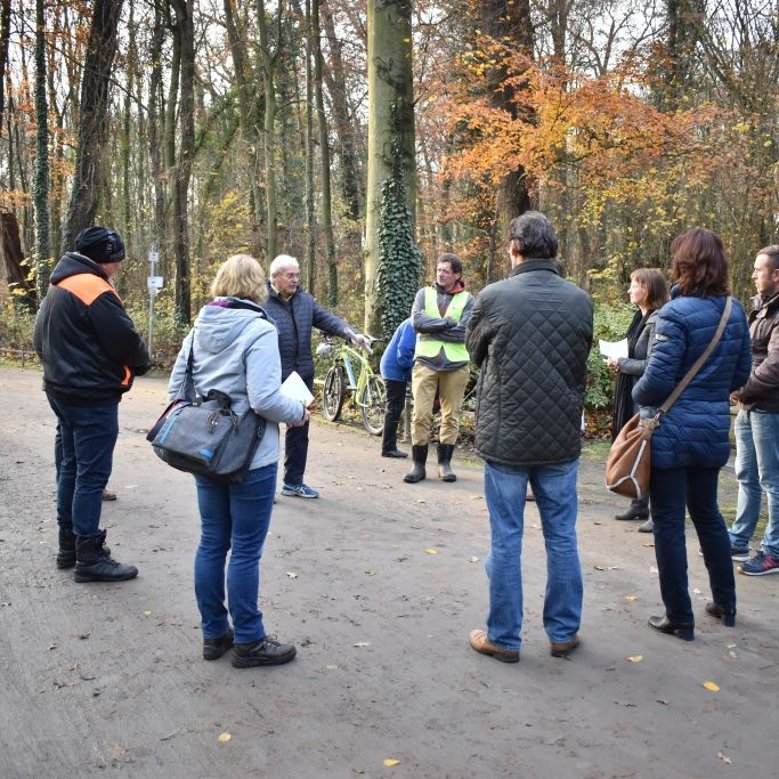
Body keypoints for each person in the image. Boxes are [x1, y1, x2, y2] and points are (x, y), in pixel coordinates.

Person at [168, 255, 310, 667]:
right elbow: (265, 399)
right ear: (256, 287)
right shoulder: (258, 328)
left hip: (206, 450)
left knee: (212, 540)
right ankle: (249, 638)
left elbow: (176, 389)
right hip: (251, 456)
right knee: (246, 548)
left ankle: (214, 633)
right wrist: (298, 413)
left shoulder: (199, 327)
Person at [466, 211, 593, 663]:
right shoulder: (580, 300)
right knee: (562, 536)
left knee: (506, 537)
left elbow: (474, 352)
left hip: (507, 438)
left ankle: (503, 636)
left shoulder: (494, 296)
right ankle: (562, 632)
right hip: (560, 437)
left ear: (515, 248)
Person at [633, 228, 751, 639]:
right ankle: (726, 602)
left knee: (667, 521)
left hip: (670, 432)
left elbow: (656, 381)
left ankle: (679, 617)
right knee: (707, 514)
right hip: (712, 431)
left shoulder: (673, 314)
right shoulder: (733, 311)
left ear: (683, 265)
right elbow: (741, 376)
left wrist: (636, 392)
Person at [33, 226, 150, 582]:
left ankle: (68, 545)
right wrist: (140, 364)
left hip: (62, 390)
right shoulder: (93, 288)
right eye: (117, 259)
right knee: (91, 475)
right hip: (90, 396)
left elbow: (39, 337)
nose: (118, 267)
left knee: (71, 467)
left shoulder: (60, 283)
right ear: (108, 257)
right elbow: (124, 339)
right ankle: (88, 555)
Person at [263, 254, 370, 499]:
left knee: (299, 430)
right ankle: (263, 488)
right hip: (272, 376)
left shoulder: (304, 300)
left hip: (300, 377)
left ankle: (293, 482)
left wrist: (350, 334)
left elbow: (327, 319)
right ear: (275, 277)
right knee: (265, 431)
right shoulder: (261, 303)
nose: (295, 280)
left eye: (297, 275)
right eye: (290, 275)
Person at [728, 245, 779, 575]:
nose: (753, 275)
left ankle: (774, 550)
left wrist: (740, 388)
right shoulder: (762, 309)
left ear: (776, 275)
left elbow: (775, 366)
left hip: (768, 408)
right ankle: (738, 538)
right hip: (750, 406)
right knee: (745, 475)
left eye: (759, 270)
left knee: (772, 480)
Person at [608, 269, 670, 533]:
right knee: (638, 449)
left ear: (648, 289)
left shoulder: (657, 321)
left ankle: (657, 512)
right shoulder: (640, 318)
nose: (629, 290)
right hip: (634, 391)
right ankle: (638, 503)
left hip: (649, 396)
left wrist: (623, 363)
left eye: (634, 285)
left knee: (649, 452)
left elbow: (654, 364)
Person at [404, 253, 474, 484]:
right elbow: (417, 324)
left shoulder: (468, 300)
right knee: (420, 414)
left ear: (457, 275)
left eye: (446, 271)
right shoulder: (424, 294)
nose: (440, 274)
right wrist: (446, 323)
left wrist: (431, 327)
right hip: (425, 361)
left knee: (451, 416)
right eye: (438, 269)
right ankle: (418, 465)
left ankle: (444, 464)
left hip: (457, 364)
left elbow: (465, 332)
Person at [379, 317, 416, 458]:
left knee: (394, 407)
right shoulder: (412, 324)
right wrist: (412, 374)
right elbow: (404, 353)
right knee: (394, 408)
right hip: (394, 370)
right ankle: (388, 448)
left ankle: (389, 446)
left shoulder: (414, 322)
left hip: (395, 369)